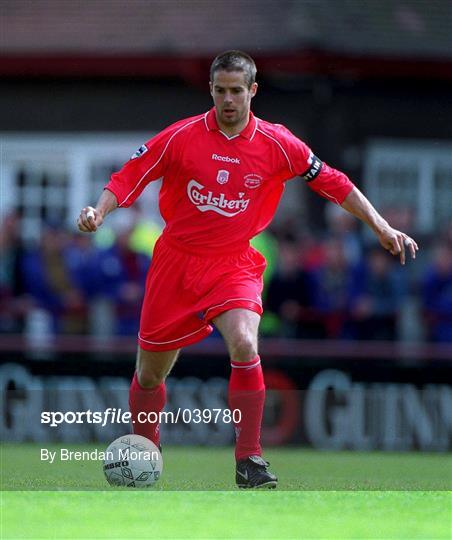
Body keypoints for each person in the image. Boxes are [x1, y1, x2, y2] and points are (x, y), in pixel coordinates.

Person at [77, 50, 418, 489]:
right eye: (220, 91)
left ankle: (249, 460)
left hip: (233, 262)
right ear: (212, 91)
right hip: (176, 263)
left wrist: (381, 225)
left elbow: (333, 181)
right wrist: (99, 211)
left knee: (243, 341)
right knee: (149, 374)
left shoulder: (278, 143)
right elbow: (130, 174)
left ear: (252, 90)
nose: (228, 100)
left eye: (237, 90)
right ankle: (145, 454)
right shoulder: (182, 136)